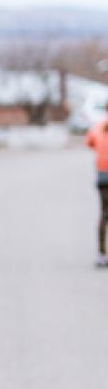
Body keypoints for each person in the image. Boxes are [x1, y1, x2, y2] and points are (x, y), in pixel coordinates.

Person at [86, 104, 108, 268]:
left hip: (102, 174)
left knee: (104, 213)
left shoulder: (98, 126)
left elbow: (89, 143)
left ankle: (101, 253)